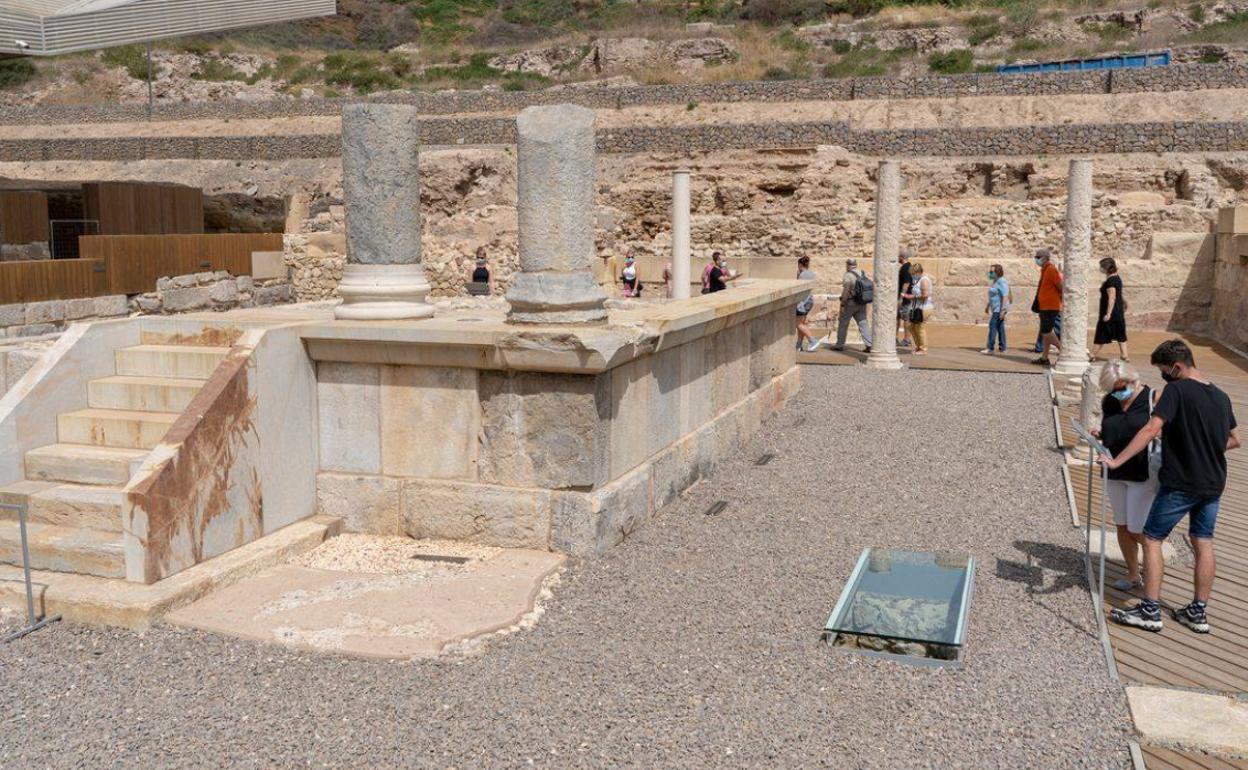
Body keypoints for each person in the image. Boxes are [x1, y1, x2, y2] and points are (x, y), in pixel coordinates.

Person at [1102, 340, 1240, 634]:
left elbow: (1151, 428)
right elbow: (1234, 439)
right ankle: (1198, 612)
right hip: (1214, 481)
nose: (1164, 376)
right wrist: (1200, 448)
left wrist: (1116, 462)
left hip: (1181, 482)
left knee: (1152, 539)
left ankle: (1150, 610)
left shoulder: (1177, 390)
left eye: (1164, 370)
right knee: (1202, 541)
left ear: (1176, 367)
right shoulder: (1221, 396)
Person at [1092, 360, 1157, 591]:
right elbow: (1114, 426)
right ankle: (1133, 575)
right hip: (1113, 470)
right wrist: (1100, 434)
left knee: (1138, 530)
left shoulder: (1151, 399)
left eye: (1122, 388)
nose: (1118, 394)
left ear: (1133, 379)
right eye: (1113, 390)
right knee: (1121, 525)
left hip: (1141, 472)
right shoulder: (1110, 401)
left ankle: (1153, 576)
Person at [1093, 257, 1129, 362]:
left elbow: (1112, 297)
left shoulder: (1111, 281)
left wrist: (1108, 314)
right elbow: (1118, 294)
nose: (1100, 269)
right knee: (1120, 333)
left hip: (1111, 311)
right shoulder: (1117, 278)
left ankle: (1092, 355)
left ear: (1107, 268)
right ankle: (1124, 355)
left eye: (1102, 267)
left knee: (1102, 333)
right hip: (1118, 311)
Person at [833, 258, 872, 353]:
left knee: (843, 323)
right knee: (863, 323)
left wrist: (842, 303)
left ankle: (839, 345)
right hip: (862, 302)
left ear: (847, 265)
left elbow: (846, 290)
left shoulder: (848, 275)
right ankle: (869, 344)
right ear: (856, 264)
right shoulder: (863, 273)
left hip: (850, 303)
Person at [1032, 247, 1063, 366]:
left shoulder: (1051, 269)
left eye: (1038, 257)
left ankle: (1062, 350)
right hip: (1044, 306)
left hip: (1050, 306)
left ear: (1045, 258)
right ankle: (1044, 357)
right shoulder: (1044, 270)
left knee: (1046, 332)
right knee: (1046, 333)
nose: (1036, 259)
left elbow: (1060, 285)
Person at [901, 261, 933, 355]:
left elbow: (925, 295)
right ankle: (919, 347)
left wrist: (912, 297)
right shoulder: (918, 280)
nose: (912, 276)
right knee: (912, 327)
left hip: (924, 308)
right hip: (917, 307)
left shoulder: (924, 280)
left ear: (918, 272)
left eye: (913, 274)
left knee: (920, 328)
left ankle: (923, 349)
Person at [980, 263, 1011, 355]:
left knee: (992, 326)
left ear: (997, 272)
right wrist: (987, 306)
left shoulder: (1002, 281)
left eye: (991, 272)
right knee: (1000, 327)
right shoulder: (995, 282)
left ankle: (990, 348)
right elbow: (993, 295)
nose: (990, 273)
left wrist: (1003, 310)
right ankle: (1003, 348)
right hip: (995, 308)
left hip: (999, 309)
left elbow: (1005, 296)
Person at [794, 256, 819, 352]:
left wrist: (797, 277)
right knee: (802, 323)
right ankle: (799, 345)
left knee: (798, 324)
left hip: (802, 302)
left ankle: (813, 340)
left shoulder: (802, 275)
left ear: (800, 264)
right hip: (809, 300)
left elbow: (798, 289)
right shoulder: (811, 273)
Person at [897, 247, 914, 348]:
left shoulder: (906, 268)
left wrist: (901, 297)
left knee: (906, 318)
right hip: (906, 297)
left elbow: (906, 283)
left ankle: (907, 339)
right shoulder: (907, 267)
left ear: (902, 257)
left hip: (906, 298)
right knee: (902, 317)